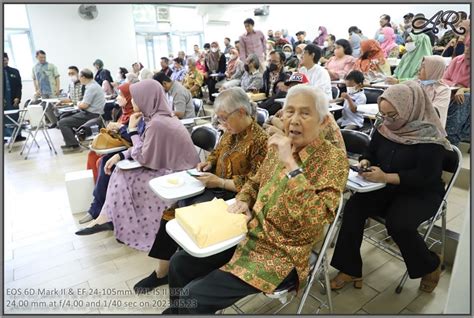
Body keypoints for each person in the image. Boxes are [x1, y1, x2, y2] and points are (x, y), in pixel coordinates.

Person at [161, 85, 348, 314]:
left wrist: (291, 164)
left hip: (282, 253)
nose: (294, 120)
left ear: (322, 121)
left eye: (305, 113)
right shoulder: (279, 146)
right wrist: (244, 199)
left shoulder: (333, 161)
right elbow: (254, 182)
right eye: (289, 111)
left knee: (194, 296)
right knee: (179, 264)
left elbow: (314, 219)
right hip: (248, 234)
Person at [133, 87, 268, 293]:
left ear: (241, 112)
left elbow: (256, 183)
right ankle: (163, 271)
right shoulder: (231, 133)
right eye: (219, 119)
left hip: (236, 199)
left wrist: (221, 182)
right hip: (215, 187)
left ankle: (184, 269)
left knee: (188, 218)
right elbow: (217, 153)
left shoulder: (261, 141)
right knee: (172, 213)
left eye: (224, 119)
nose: (222, 124)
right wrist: (208, 164)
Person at [330, 81, 452, 294]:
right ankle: (349, 268)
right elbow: (372, 151)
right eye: (383, 114)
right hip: (384, 185)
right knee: (353, 208)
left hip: (420, 192)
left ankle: (431, 265)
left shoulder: (429, 135)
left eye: (393, 115)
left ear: (409, 108)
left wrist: (386, 176)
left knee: (399, 224)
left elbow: (426, 176)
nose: (387, 121)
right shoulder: (385, 126)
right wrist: (366, 162)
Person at [75, 80, 200, 252]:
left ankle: (115, 221)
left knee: (123, 175)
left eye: (135, 98)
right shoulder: (155, 118)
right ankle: (109, 218)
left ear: (147, 98)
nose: (132, 101)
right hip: (170, 167)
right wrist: (121, 155)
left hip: (179, 175)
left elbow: (143, 157)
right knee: (119, 170)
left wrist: (132, 130)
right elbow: (144, 148)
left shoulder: (158, 123)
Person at [80, 82, 142, 224]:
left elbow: (136, 141)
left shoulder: (138, 114)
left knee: (103, 162)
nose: (118, 97)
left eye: (121, 94)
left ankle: (98, 206)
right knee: (94, 156)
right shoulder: (122, 111)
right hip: (128, 147)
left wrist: (121, 128)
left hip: (132, 149)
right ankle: (99, 201)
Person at [57, 69, 105, 152]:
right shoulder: (93, 85)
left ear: (83, 77)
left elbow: (84, 105)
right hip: (91, 113)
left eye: (79, 76)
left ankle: (74, 145)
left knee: (63, 122)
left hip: (91, 115)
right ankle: (72, 142)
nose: (79, 79)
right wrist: (80, 103)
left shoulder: (91, 87)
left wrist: (79, 103)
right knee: (63, 117)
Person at [443, 46, 471, 146]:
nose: (467, 50)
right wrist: (455, 86)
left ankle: (452, 137)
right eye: (467, 46)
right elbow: (444, 79)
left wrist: (463, 89)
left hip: (465, 95)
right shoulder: (457, 60)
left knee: (464, 98)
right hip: (451, 90)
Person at [417, 56, 451, 128]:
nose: (419, 69)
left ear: (433, 70)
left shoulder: (443, 90)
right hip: (415, 124)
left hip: (432, 129)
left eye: (423, 67)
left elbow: (433, 112)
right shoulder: (417, 84)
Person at [32, 50, 60, 127]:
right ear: (37, 57)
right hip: (42, 91)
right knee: (46, 107)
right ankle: (55, 122)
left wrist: (58, 88)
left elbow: (57, 77)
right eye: (41, 57)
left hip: (52, 90)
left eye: (44, 57)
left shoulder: (51, 66)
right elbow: (34, 79)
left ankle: (61, 121)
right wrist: (36, 90)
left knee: (56, 106)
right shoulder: (34, 68)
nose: (43, 59)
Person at [3, 52, 24, 141]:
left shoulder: (14, 71)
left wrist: (18, 97)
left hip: (13, 98)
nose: (4, 62)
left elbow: (19, 86)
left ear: (8, 59)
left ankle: (17, 135)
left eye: (5, 60)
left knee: (15, 116)